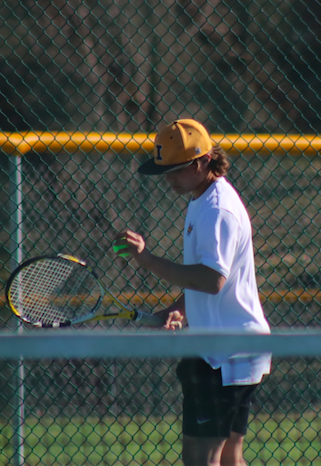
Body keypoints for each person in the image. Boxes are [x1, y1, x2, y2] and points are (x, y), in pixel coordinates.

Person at [113, 118, 271, 466]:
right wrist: (179, 308)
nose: (167, 178)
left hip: (224, 353)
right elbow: (215, 281)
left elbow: (213, 279)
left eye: (175, 170)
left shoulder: (217, 208)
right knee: (230, 458)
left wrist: (147, 259)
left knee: (201, 459)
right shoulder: (203, 199)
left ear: (201, 163)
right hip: (234, 347)